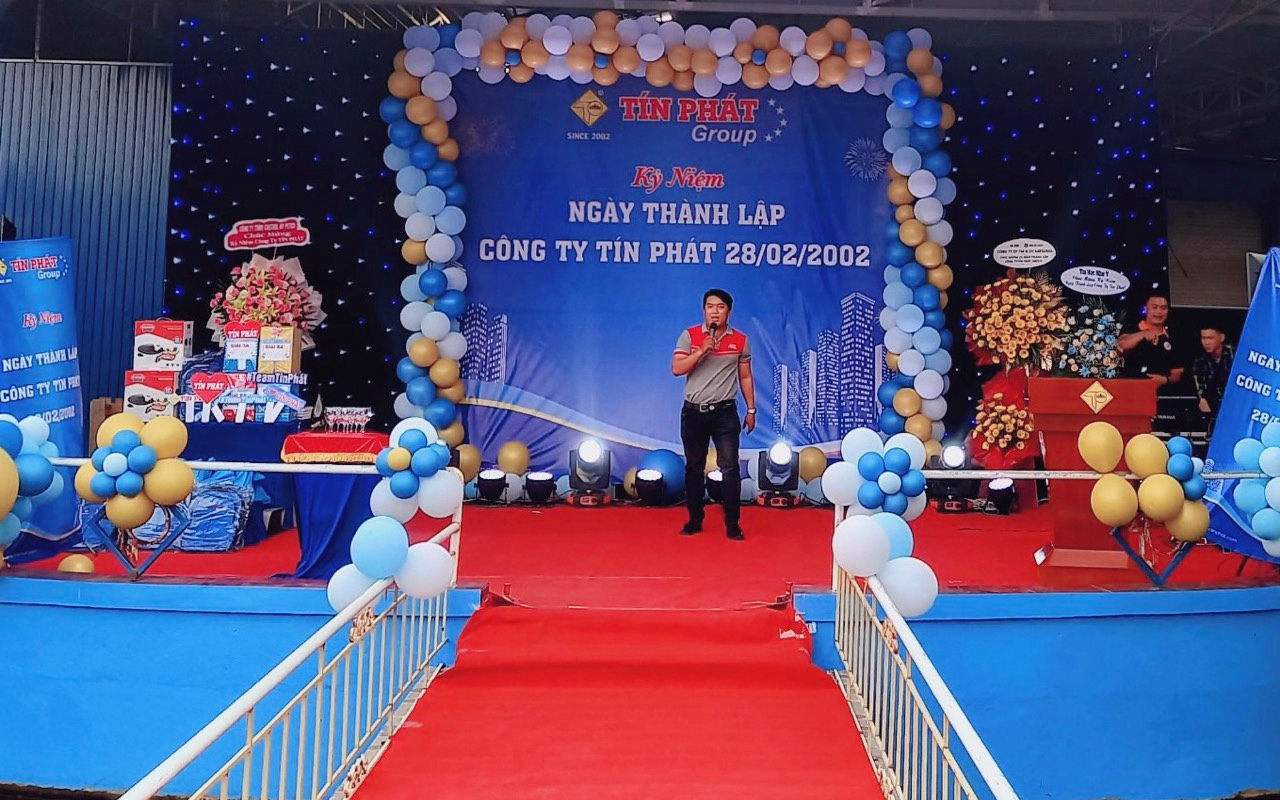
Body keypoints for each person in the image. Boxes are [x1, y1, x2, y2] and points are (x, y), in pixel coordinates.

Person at [672, 289, 756, 540]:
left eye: (720, 307)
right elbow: (677, 368)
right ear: (704, 310)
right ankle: (695, 519)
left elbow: (745, 376)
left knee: (730, 468)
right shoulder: (690, 336)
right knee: (694, 467)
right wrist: (700, 351)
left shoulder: (740, 340)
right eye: (710, 307)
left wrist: (751, 409)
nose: (714, 312)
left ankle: (732, 524)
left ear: (728, 311)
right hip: (693, 412)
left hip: (724, 413)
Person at [1118, 294, 1185, 391]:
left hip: (1162, 394)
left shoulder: (1173, 336)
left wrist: (1164, 380)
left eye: (1163, 308)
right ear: (1145, 309)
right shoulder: (1132, 328)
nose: (1159, 312)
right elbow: (1122, 345)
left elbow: (1177, 374)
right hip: (1132, 389)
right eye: (1154, 307)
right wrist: (1144, 334)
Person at [1192, 325, 1234, 435]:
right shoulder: (1200, 361)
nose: (1206, 342)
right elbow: (1200, 389)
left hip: (1235, 403)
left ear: (1221, 337)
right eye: (1203, 338)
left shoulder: (1235, 355)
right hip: (1213, 406)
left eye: (1210, 338)